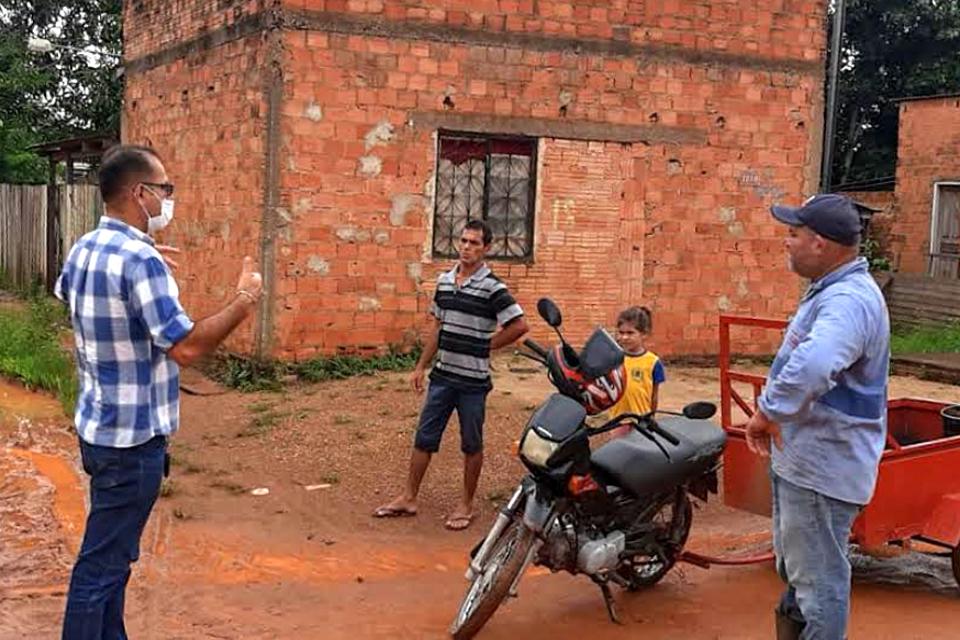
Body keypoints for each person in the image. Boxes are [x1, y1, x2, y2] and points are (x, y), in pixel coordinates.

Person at [56, 144, 264, 640]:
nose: (168, 199)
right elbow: (187, 348)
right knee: (100, 568)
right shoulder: (139, 261)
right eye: (164, 189)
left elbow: (70, 294)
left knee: (112, 560)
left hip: (98, 429)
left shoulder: (85, 248)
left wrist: (141, 267)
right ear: (139, 193)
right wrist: (244, 300)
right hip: (132, 444)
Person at [744, 194, 890, 640]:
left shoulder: (847, 301)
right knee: (800, 573)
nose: (786, 243)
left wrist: (768, 411)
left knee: (819, 588)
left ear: (820, 243)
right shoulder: (833, 291)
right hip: (809, 461)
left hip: (821, 469)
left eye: (794, 234)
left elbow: (814, 363)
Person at [374, 219, 529, 531]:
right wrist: (421, 366)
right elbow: (438, 327)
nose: (467, 247)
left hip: (473, 383)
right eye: (463, 241)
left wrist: (486, 346)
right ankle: (408, 497)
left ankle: (466, 505)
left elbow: (519, 325)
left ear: (486, 248)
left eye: (474, 243)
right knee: (424, 437)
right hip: (442, 377)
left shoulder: (494, 287)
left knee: (471, 443)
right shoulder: (444, 282)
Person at [606, 306, 665, 436]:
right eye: (621, 333)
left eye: (630, 333)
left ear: (644, 334)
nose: (624, 337)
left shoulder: (653, 362)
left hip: (641, 421)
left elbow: (654, 395)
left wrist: (651, 417)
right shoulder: (614, 359)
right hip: (618, 421)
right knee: (618, 448)